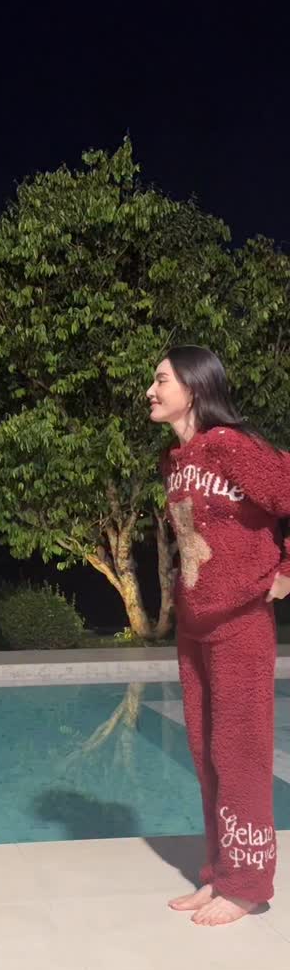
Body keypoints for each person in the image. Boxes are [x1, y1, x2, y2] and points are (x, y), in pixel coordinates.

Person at [147, 345, 290, 926]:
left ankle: (249, 885)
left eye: (161, 380)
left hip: (240, 624)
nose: (150, 391)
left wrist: (287, 570)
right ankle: (220, 873)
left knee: (240, 752)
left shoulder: (231, 445)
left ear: (194, 387)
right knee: (206, 753)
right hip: (195, 625)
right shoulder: (174, 460)